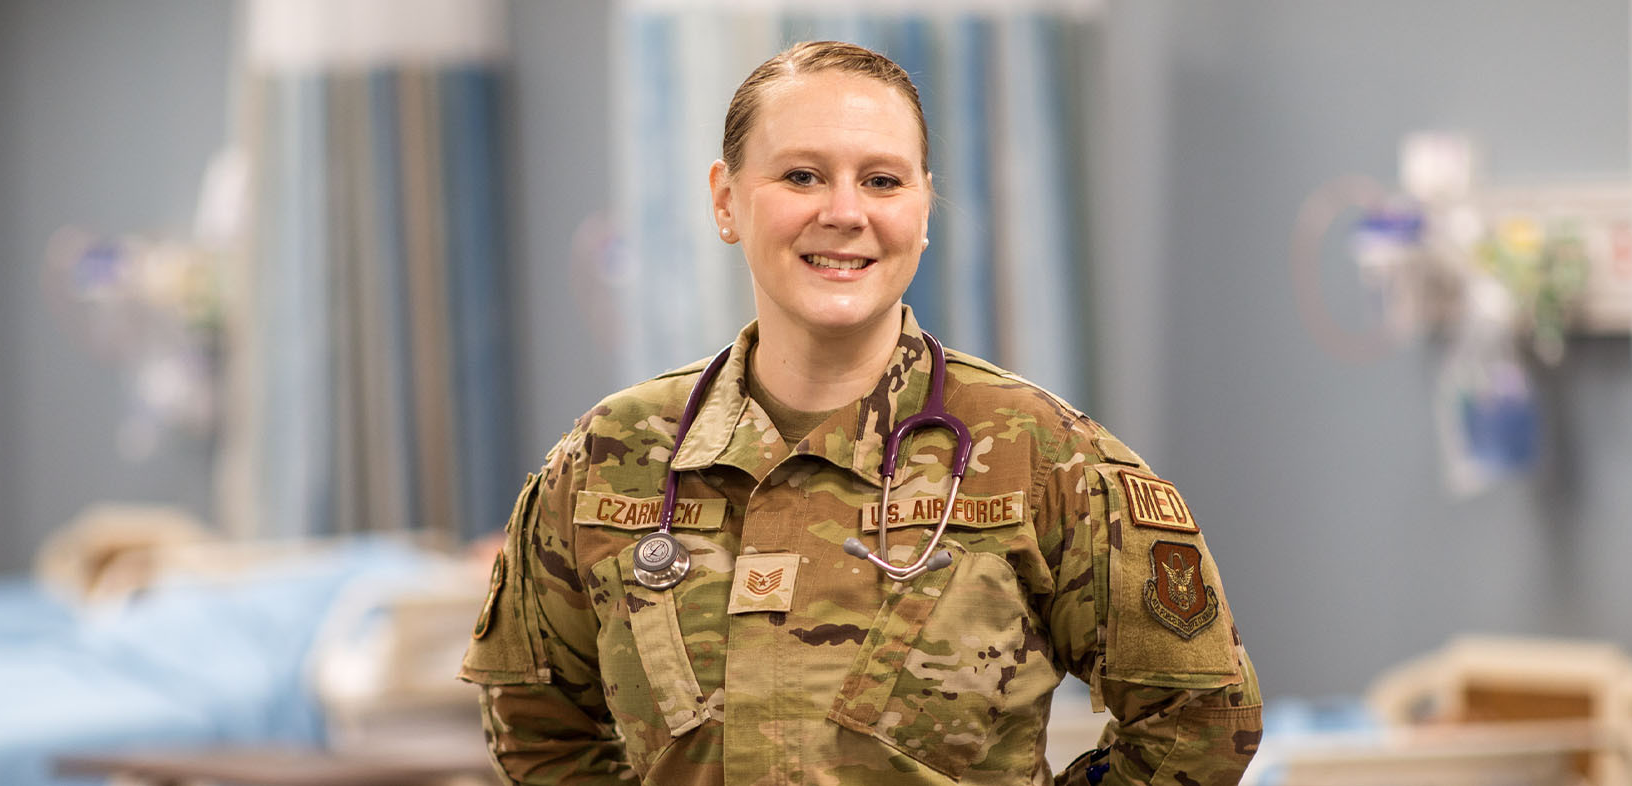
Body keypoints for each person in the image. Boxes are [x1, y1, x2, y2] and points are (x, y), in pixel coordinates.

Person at [461, 41, 1262, 785]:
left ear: (921, 211)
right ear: (726, 200)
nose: (844, 212)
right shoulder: (610, 457)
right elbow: (536, 717)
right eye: (802, 176)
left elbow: (1201, 720)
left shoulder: (1043, 457)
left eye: (882, 180)